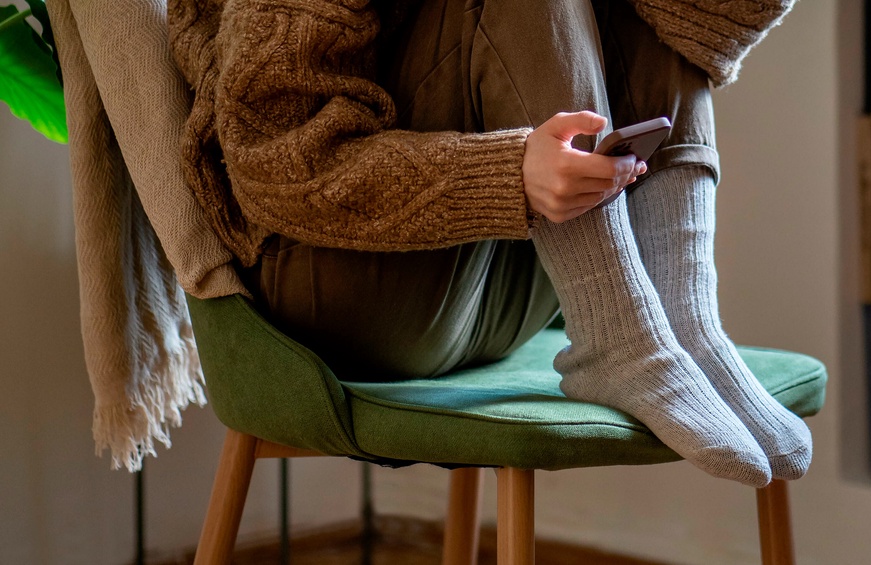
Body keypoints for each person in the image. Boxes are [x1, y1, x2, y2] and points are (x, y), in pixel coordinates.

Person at [168, 0, 811, 487]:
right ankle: (622, 337)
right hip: (339, 292)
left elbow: (711, 24)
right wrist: (504, 174)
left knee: (665, 10)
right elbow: (280, 167)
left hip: (499, 293)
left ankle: (683, 326)